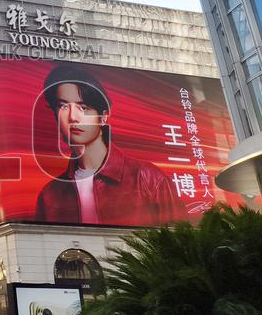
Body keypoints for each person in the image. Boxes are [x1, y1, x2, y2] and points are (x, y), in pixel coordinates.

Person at [35, 64, 183, 225]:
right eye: (63, 106)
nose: (73, 117)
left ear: (103, 116)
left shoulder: (148, 179)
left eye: (83, 107)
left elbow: (177, 239)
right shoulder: (50, 196)